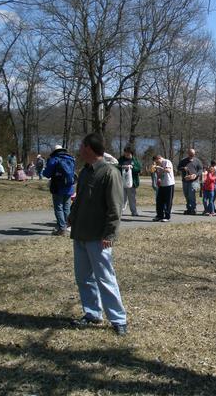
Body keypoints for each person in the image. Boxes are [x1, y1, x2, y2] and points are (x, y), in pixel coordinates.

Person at [68, 133, 127, 336]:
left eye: (82, 146)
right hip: (81, 234)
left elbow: (115, 207)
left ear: (89, 149)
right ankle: (92, 313)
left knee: (105, 278)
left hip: (98, 237)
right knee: (83, 278)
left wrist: (109, 235)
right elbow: (80, 199)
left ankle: (118, 319)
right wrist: (72, 217)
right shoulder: (85, 172)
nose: (80, 150)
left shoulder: (110, 173)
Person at [43, 144, 76, 236]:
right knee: (67, 207)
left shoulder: (54, 159)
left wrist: (43, 171)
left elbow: (47, 174)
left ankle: (62, 228)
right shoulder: (71, 159)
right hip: (69, 187)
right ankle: (68, 226)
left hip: (58, 187)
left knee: (58, 207)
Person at [177, 148, 203, 215]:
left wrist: (195, 175)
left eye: (193, 154)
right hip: (185, 181)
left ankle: (193, 209)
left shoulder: (197, 161)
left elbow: (200, 170)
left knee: (191, 195)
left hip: (194, 181)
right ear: (188, 154)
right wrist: (183, 168)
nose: (192, 155)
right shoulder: (183, 161)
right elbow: (178, 168)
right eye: (190, 154)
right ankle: (189, 208)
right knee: (186, 195)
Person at [118, 146, 141, 217]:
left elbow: (138, 169)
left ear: (131, 154)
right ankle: (120, 212)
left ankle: (134, 212)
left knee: (132, 198)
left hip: (131, 183)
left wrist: (132, 167)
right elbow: (116, 166)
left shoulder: (135, 160)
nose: (126, 155)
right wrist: (121, 167)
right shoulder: (121, 159)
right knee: (122, 198)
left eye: (128, 154)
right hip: (121, 182)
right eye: (125, 153)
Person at [153, 155, 175, 222]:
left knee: (168, 201)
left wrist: (160, 167)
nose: (157, 163)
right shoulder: (158, 165)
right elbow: (159, 175)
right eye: (156, 162)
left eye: (157, 161)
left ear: (159, 158)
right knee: (159, 201)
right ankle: (159, 216)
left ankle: (167, 217)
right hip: (162, 185)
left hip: (169, 184)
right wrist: (158, 176)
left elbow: (168, 170)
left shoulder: (166, 161)